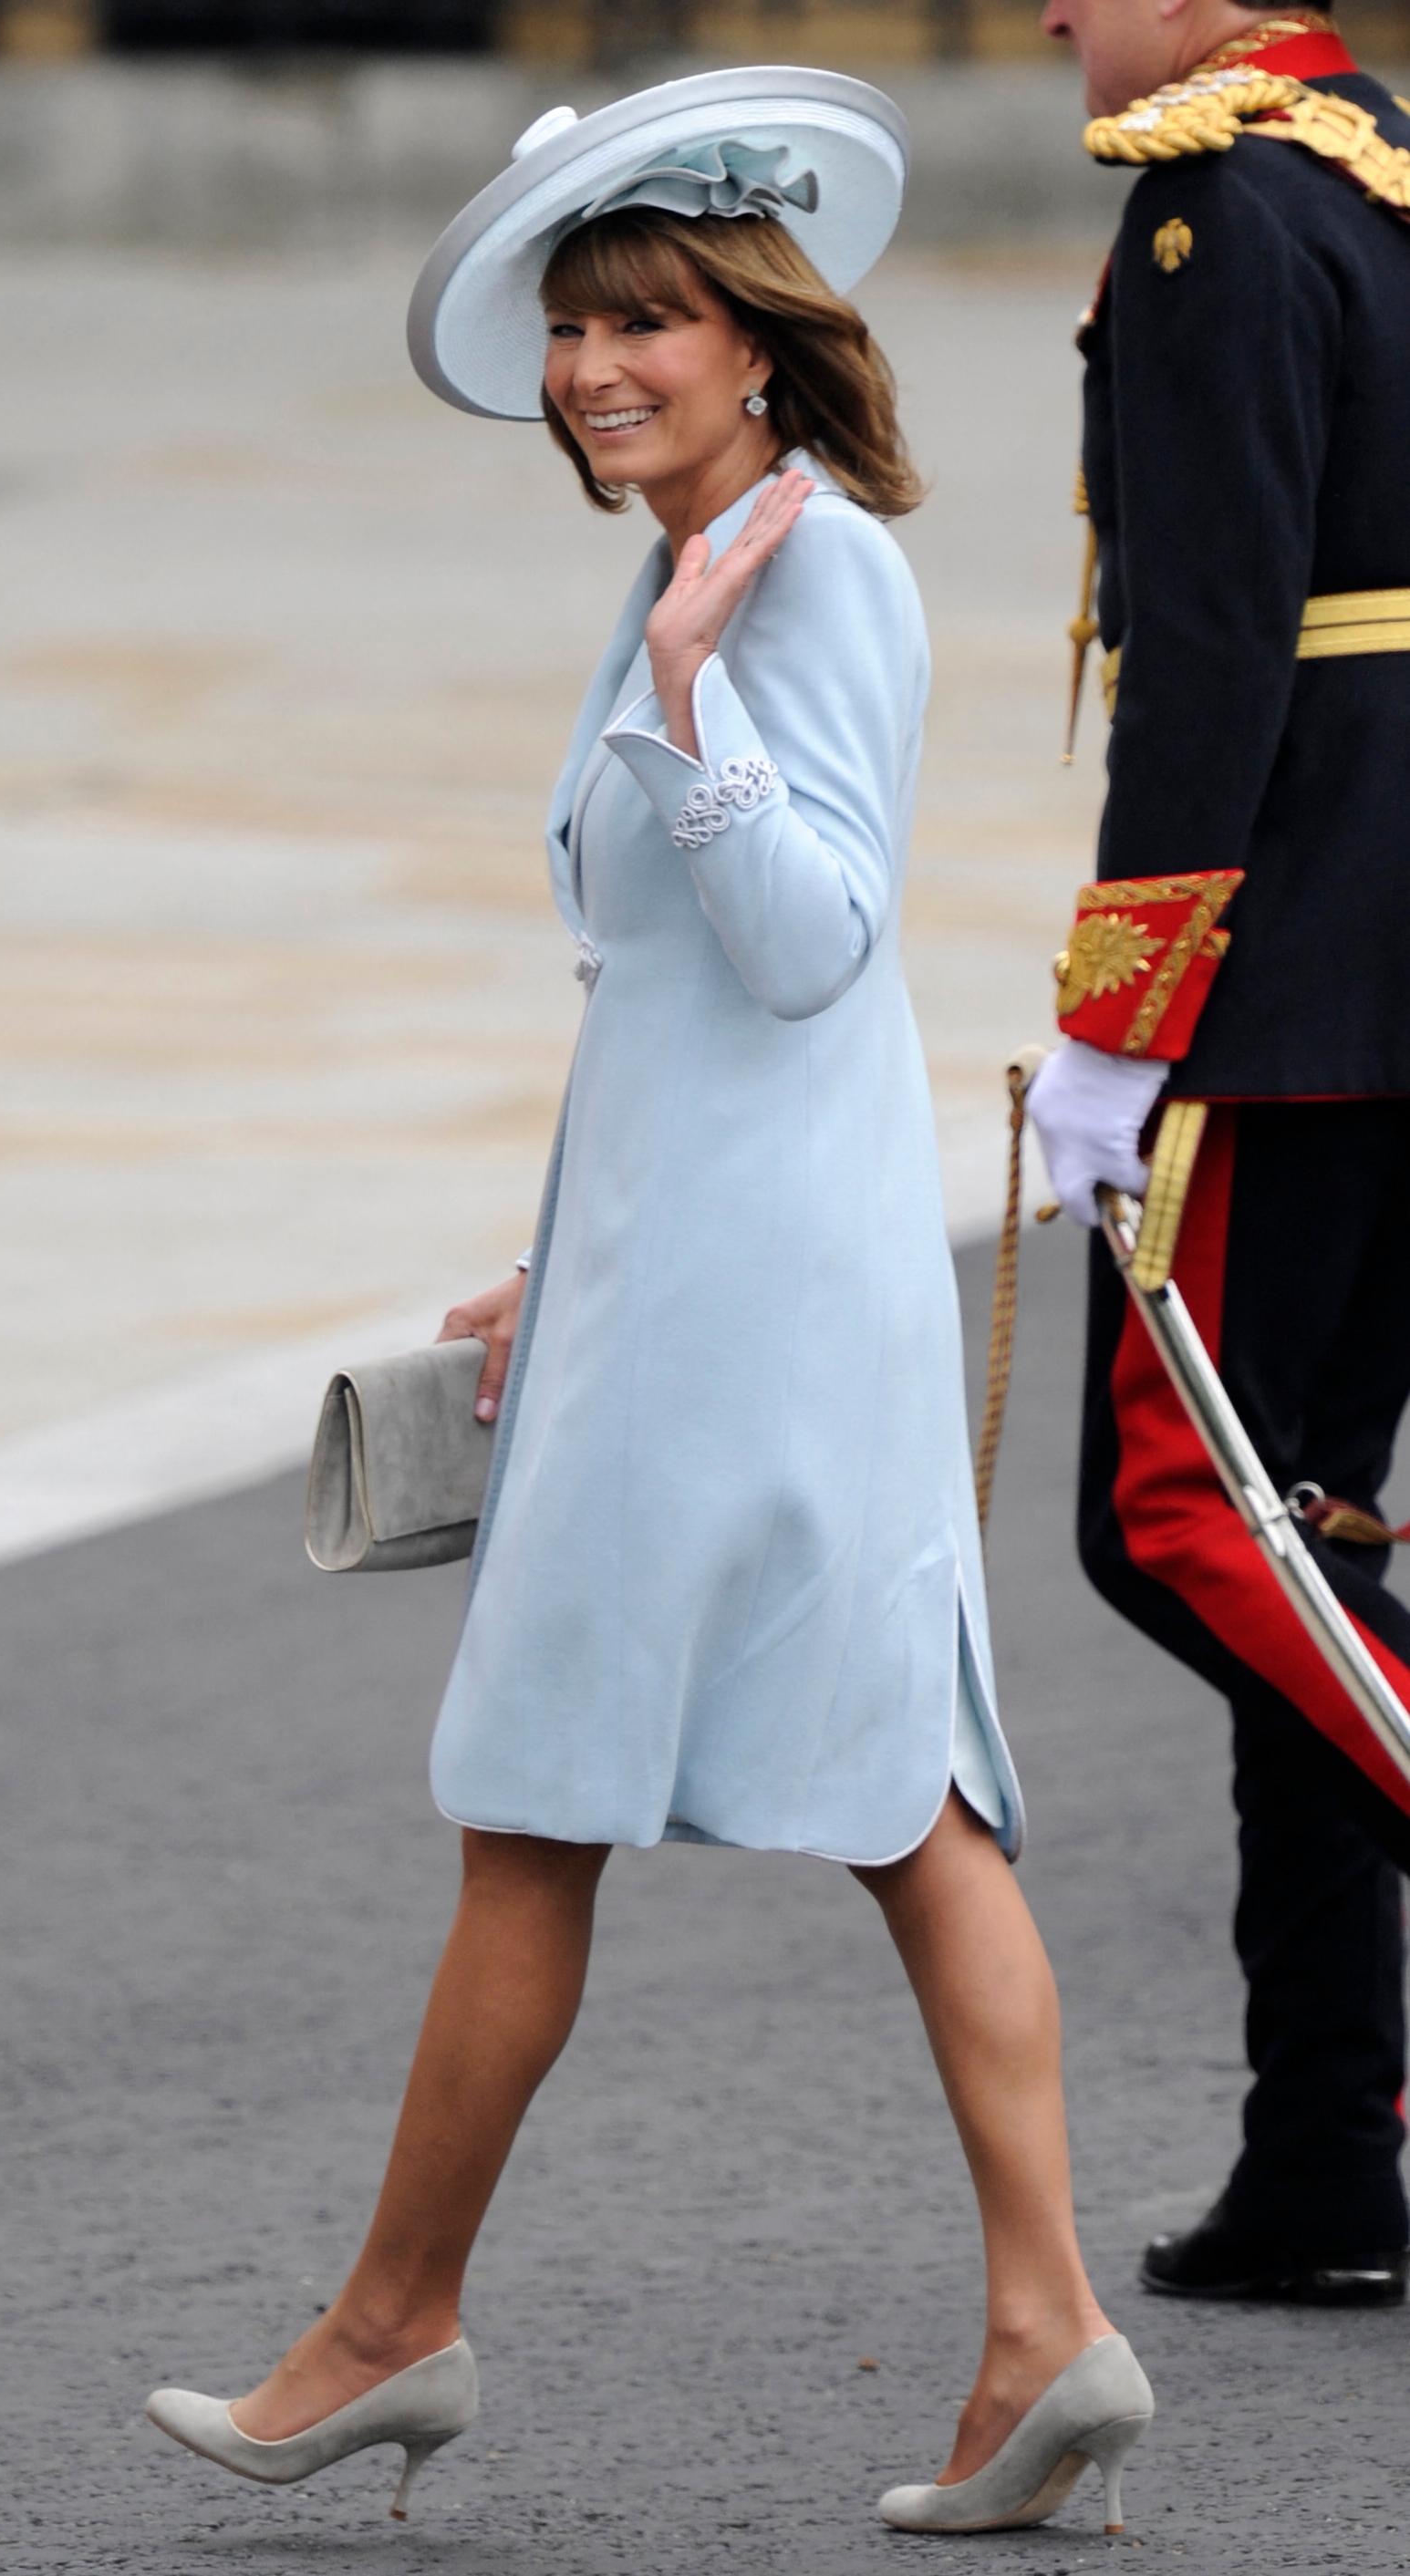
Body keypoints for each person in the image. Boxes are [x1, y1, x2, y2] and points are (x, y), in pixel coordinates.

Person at [143, 69, 1152, 2535]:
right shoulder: (721, 549)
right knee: (904, 1802)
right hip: (713, 1252)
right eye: (579, 328)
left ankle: (391, 2327)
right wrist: (559, 1232)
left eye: (649, 324)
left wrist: (692, 690)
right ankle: (1046, 2339)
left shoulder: (791, 575)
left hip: (742, 1292)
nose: (598, 369)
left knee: (538, 1807)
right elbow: (677, 1006)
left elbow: (806, 945)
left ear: (758, 342)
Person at [1030, 0, 1410, 2303]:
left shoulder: (1217, 210)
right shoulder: (1385, 159)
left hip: (1289, 990)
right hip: (1399, 957)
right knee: (1315, 1539)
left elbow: (1205, 649)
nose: (1059, 15)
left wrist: (1116, 1020)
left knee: (1176, 1525)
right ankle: (1324, 2153)